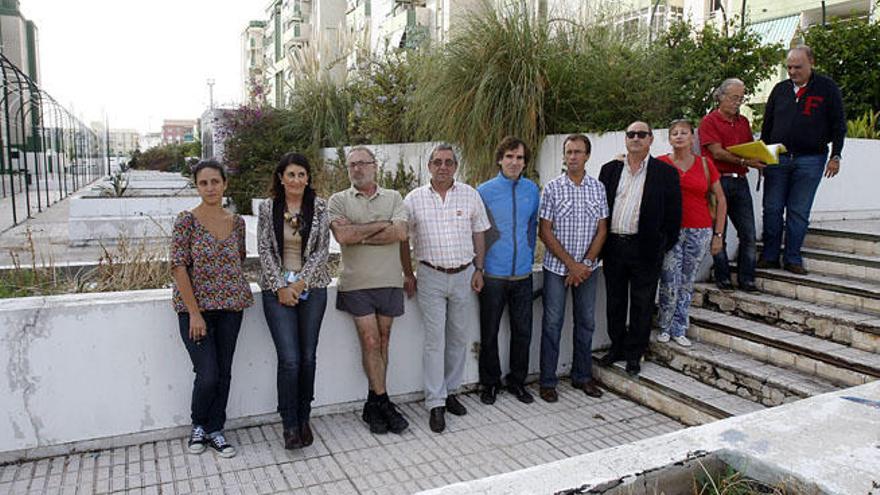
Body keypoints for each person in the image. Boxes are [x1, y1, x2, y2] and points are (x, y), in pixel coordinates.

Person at [401, 143, 490, 433]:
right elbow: (404, 240)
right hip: (430, 276)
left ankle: (451, 392)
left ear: (455, 166)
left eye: (448, 162)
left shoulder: (470, 195)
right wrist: (408, 274)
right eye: (437, 162)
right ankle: (435, 402)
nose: (443, 166)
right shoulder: (413, 199)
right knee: (434, 340)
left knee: (458, 338)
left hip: (464, 275)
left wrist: (479, 269)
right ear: (429, 166)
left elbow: (479, 234)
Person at [171, 159, 253, 458]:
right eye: (203, 183)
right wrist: (194, 313)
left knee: (224, 371)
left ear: (224, 184)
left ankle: (216, 429)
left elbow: (239, 259)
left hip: (231, 306)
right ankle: (198, 425)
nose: (210, 188)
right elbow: (179, 267)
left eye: (215, 182)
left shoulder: (237, 222)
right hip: (196, 310)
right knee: (207, 373)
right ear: (197, 186)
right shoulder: (186, 221)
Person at [328, 146, 410, 435]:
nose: (357, 169)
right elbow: (343, 235)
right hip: (356, 284)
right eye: (352, 165)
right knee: (371, 342)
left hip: (389, 280)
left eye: (363, 163)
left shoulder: (394, 197)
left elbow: (400, 233)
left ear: (375, 166)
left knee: (384, 341)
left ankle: (373, 405)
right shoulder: (338, 200)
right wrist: (381, 225)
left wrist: (360, 233)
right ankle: (384, 401)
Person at [258, 152, 331, 450]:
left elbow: (322, 250)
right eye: (291, 175)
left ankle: (304, 417)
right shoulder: (267, 208)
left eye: (302, 174)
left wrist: (300, 283)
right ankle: (289, 424)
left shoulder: (320, 207)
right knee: (289, 359)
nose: (297, 180)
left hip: (312, 288)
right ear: (281, 178)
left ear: (308, 178)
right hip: (277, 292)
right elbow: (264, 249)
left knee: (308, 357)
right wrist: (280, 287)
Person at [598, 122, 681, 377]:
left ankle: (635, 353)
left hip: (645, 249)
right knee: (615, 301)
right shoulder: (610, 170)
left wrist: (659, 246)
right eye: (631, 134)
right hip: (613, 247)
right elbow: (600, 210)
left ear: (650, 139)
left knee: (642, 303)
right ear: (625, 139)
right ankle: (617, 348)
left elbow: (674, 216)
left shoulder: (665, 173)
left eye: (641, 134)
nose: (635, 138)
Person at [760, 45, 846, 275]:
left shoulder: (827, 88)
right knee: (772, 207)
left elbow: (839, 124)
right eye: (789, 67)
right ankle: (769, 256)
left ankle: (792, 258)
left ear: (811, 64)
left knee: (798, 210)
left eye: (798, 67)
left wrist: (836, 155)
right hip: (778, 158)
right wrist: (762, 156)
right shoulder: (780, 90)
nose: (792, 71)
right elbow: (767, 126)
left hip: (811, 159)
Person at [537, 134, 608, 402]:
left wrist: (585, 264)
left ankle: (582, 377)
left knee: (586, 323)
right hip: (557, 268)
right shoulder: (553, 188)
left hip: (588, 269)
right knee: (552, 324)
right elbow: (544, 231)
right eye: (569, 152)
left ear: (587, 155)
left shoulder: (597, 188)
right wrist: (571, 265)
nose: (573, 156)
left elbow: (602, 228)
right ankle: (547, 381)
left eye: (578, 152)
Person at [476, 137, 540, 405]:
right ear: (500, 159)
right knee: (489, 333)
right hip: (492, 275)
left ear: (525, 163)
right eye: (510, 157)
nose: (515, 162)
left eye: (520, 158)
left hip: (523, 275)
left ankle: (517, 382)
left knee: (522, 332)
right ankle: (489, 383)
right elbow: (477, 233)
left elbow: (532, 227)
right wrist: (478, 268)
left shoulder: (532, 190)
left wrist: (527, 254)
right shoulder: (484, 191)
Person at [657, 120, 728, 346]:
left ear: (692, 137)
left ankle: (680, 327)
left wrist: (718, 235)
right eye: (674, 133)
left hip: (700, 229)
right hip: (671, 230)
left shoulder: (705, 164)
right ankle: (664, 324)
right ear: (669, 139)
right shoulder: (660, 164)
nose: (679, 136)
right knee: (669, 278)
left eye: (684, 133)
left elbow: (721, 199)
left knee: (687, 281)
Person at [699, 78, 765, 293]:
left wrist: (760, 159)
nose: (738, 102)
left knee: (748, 233)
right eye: (734, 97)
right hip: (718, 181)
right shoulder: (709, 121)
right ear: (721, 97)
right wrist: (746, 161)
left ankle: (747, 279)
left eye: (741, 98)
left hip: (740, 181)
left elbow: (747, 148)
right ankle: (723, 276)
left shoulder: (743, 122)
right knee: (719, 232)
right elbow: (717, 152)